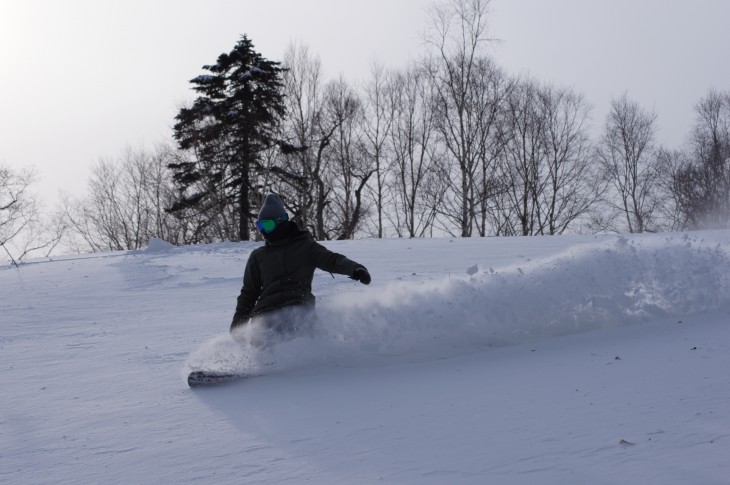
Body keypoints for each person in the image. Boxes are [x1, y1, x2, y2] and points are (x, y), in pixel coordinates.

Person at [230, 193, 371, 343]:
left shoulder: (305, 247)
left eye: (268, 225)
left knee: (299, 328)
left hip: (297, 307)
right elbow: (249, 293)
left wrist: (355, 269)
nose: (264, 231)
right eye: (260, 226)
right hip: (265, 314)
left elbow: (332, 260)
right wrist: (239, 324)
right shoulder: (258, 256)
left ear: (281, 221)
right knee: (263, 335)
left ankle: (310, 359)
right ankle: (262, 363)